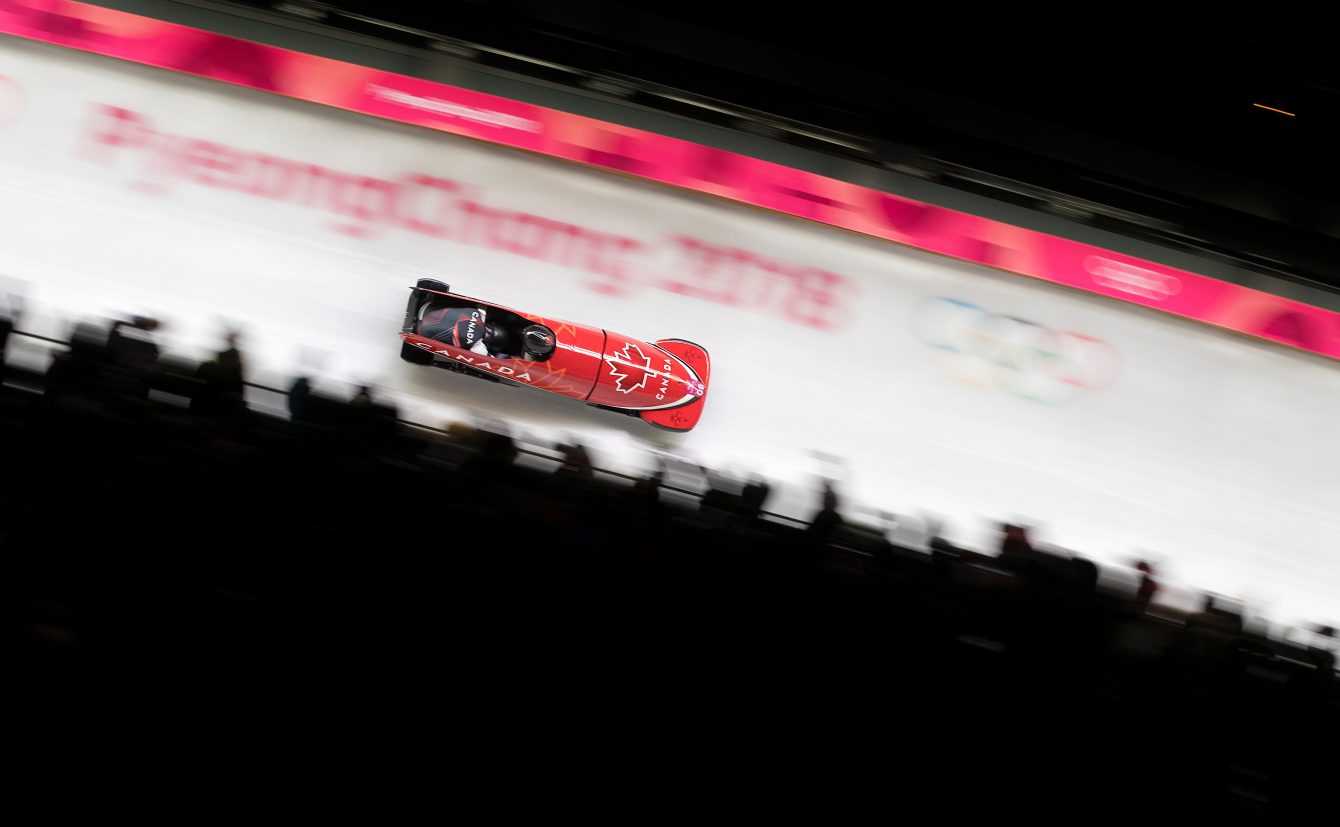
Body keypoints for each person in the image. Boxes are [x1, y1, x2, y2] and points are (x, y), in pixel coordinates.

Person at [417, 303, 512, 358]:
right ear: (489, 345)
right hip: (422, 332)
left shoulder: (478, 313)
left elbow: (485, 309)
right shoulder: (476, 345)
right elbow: (493, 361)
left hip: (430, 308)